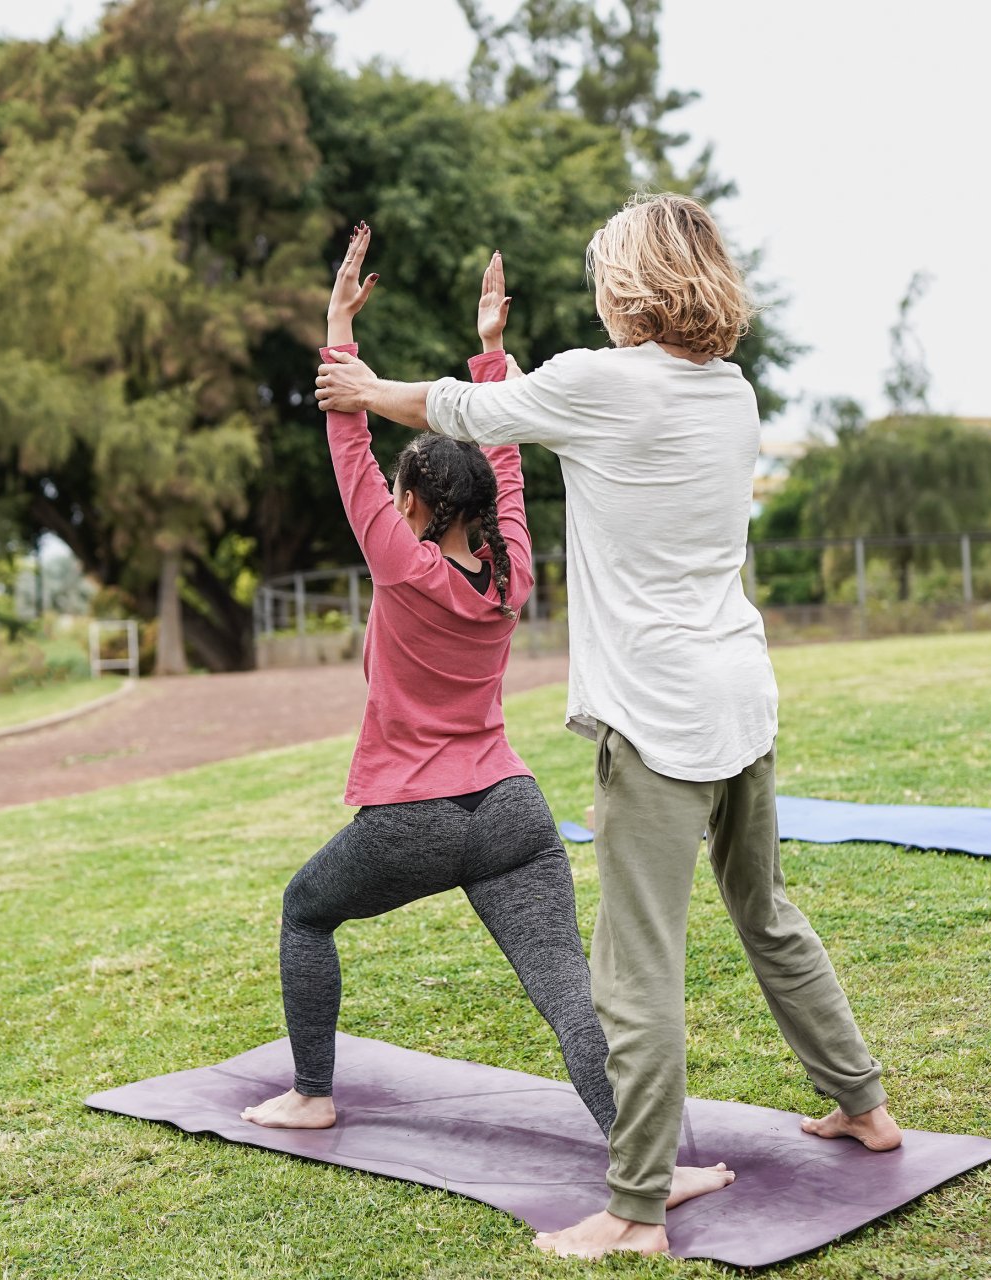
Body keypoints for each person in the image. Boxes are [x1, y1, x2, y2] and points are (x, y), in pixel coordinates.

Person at [315, 194, 900, 1260]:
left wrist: (359, 383)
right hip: (743, 698)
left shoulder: (599, 380)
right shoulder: (732, 392)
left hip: (660, 721)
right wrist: (496, 357)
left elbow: (463, 417)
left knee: (635, 972)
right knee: (765, 910)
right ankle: (862, 1102)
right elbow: (512, 419)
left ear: (630, 285)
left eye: (604, 272)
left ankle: (635, 1206)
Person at [240, 224, 734, 1210]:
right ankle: (659, 1166)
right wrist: (490, 352)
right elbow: (507, 460)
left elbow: (350, 445)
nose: (389, 494)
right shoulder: (509, 570)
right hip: (510, 810)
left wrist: (339, 329)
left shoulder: (402, 559)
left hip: (413, 818)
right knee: (567, 989)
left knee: (306, 908)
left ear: (417, 500)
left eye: (400, 487)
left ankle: (309, 1094)